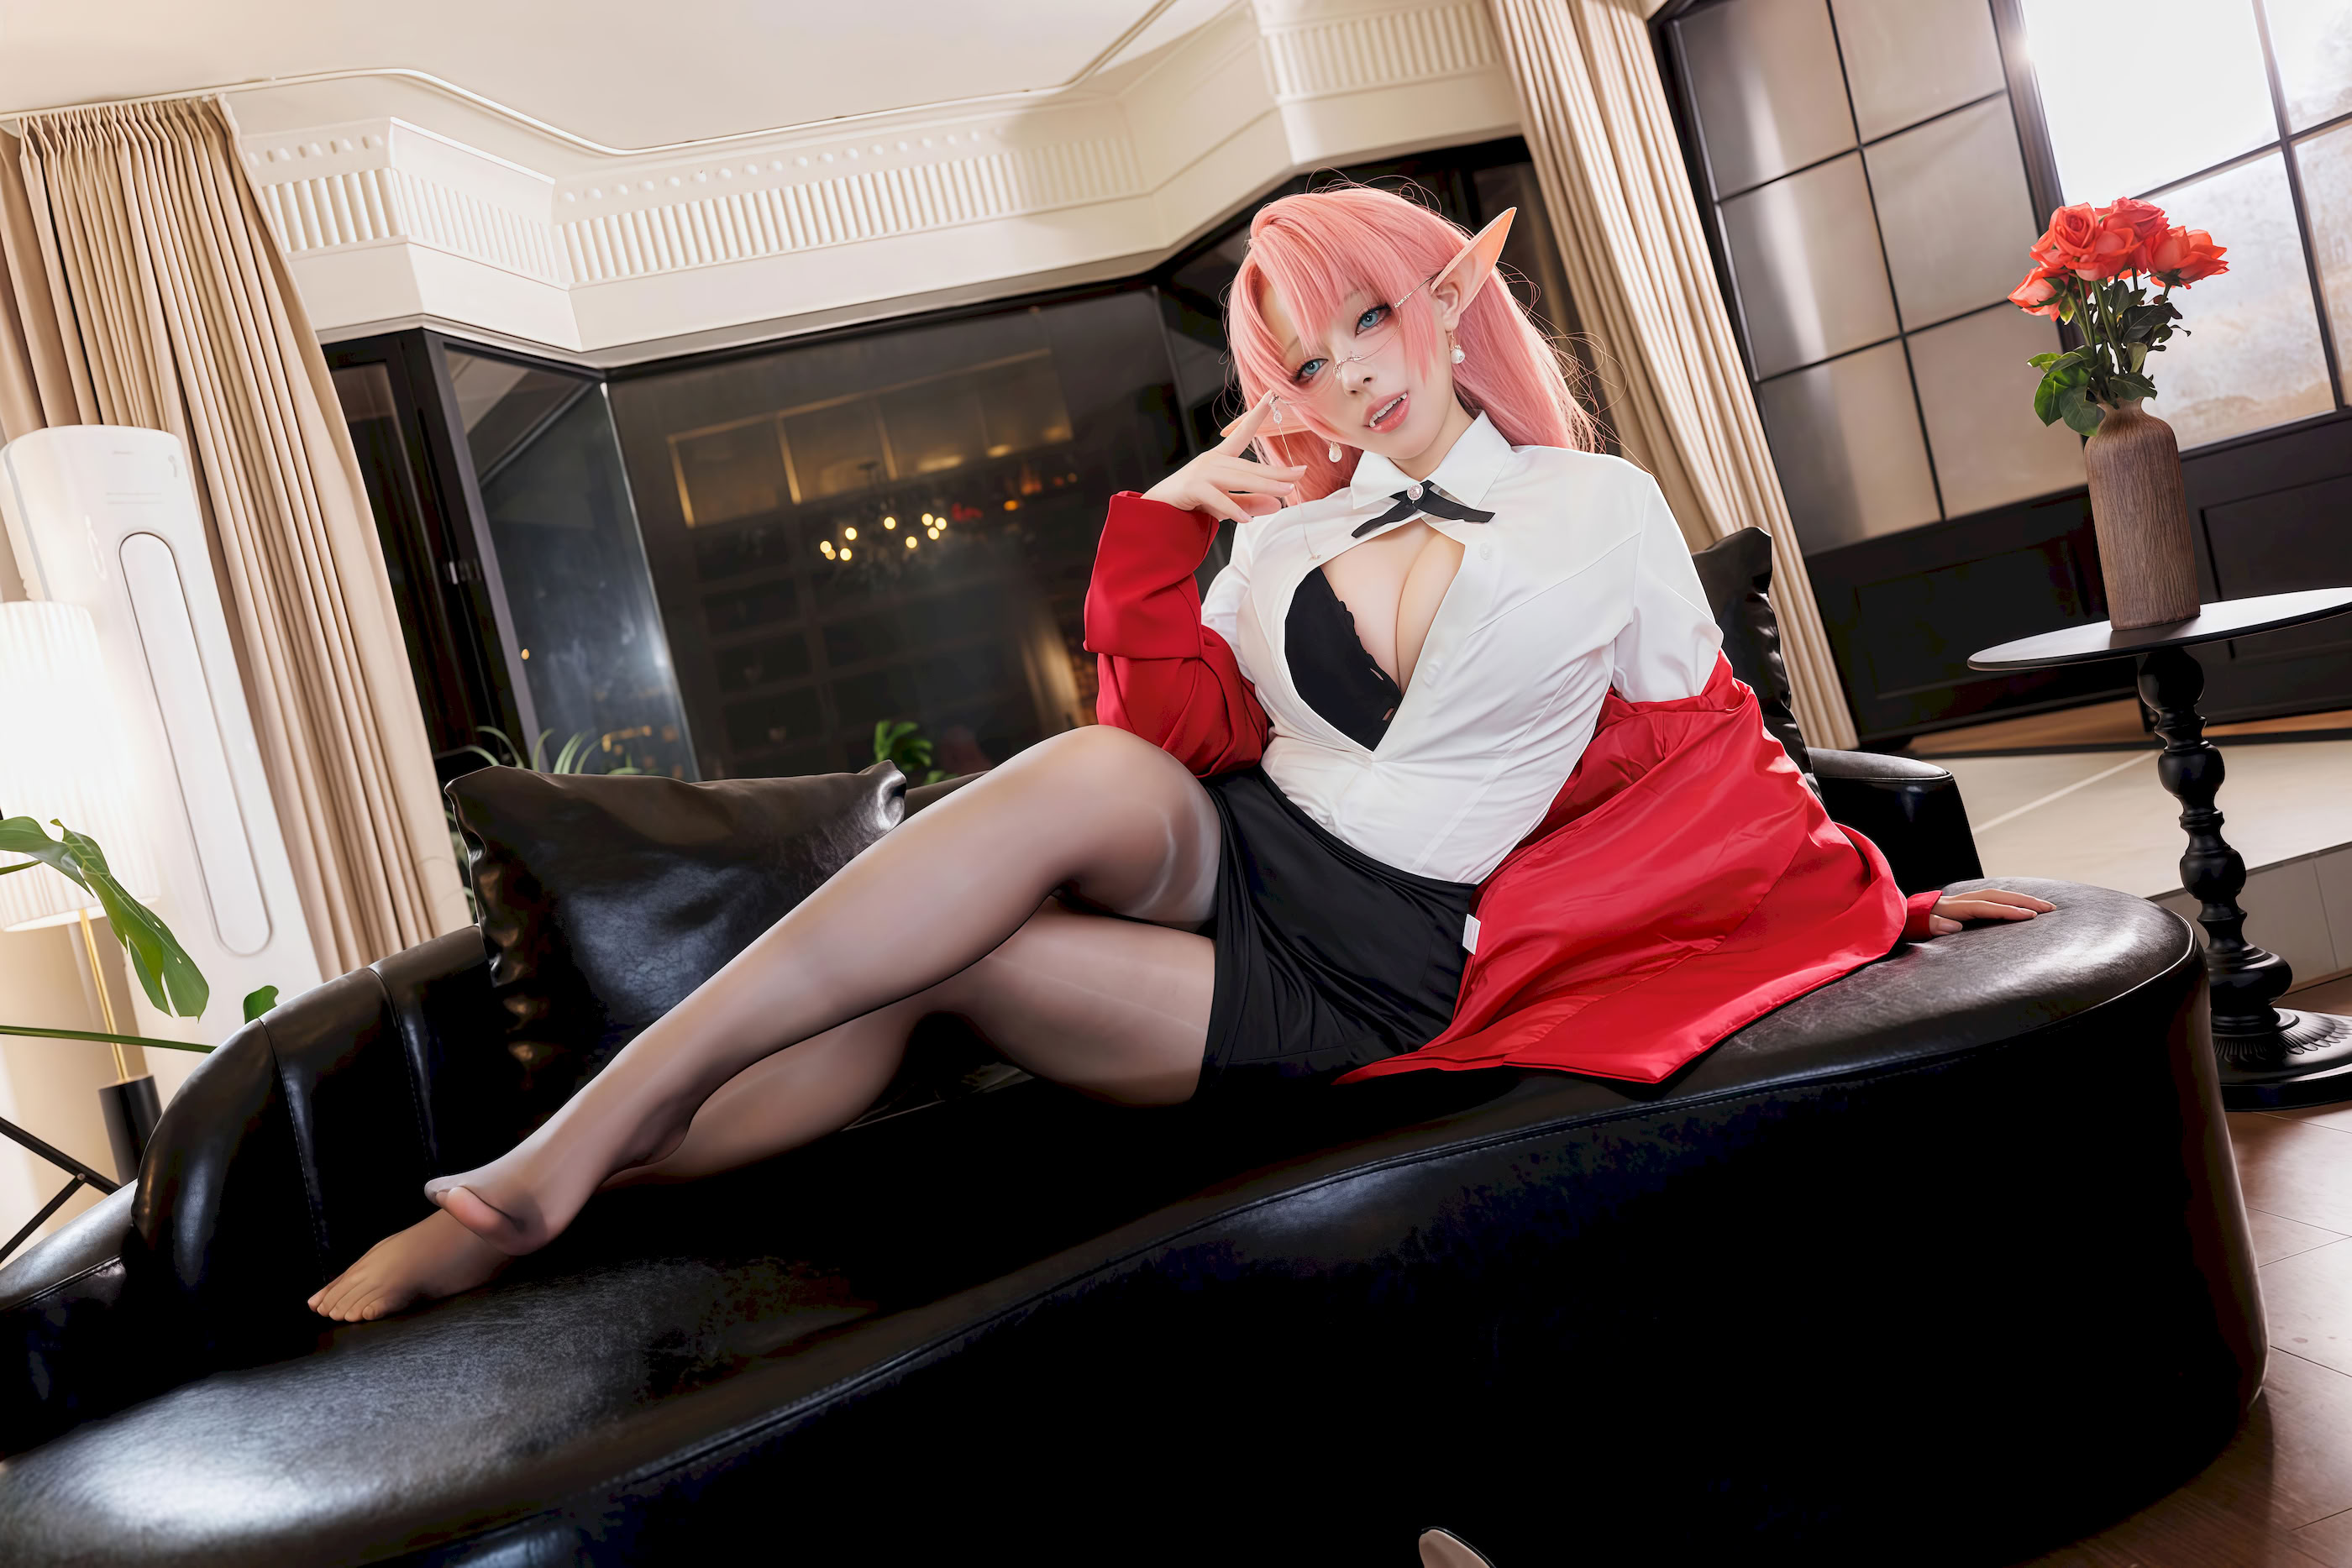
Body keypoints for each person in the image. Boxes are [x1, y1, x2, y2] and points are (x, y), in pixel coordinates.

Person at [310, 185, 2048, 1323]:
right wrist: (1157, 535)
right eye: (1302, 357)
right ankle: (556, 1157)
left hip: (1382, 953)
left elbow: (1715, 751)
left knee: (956, 967)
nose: (1346, 378)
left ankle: (572, 1195)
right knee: (1082, 779)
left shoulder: (1598, 507)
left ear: (1446, 302)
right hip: (1244, 839)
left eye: (1368, 322)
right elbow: (1179, 745)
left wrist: (1885, 902)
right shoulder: (1282, 531)